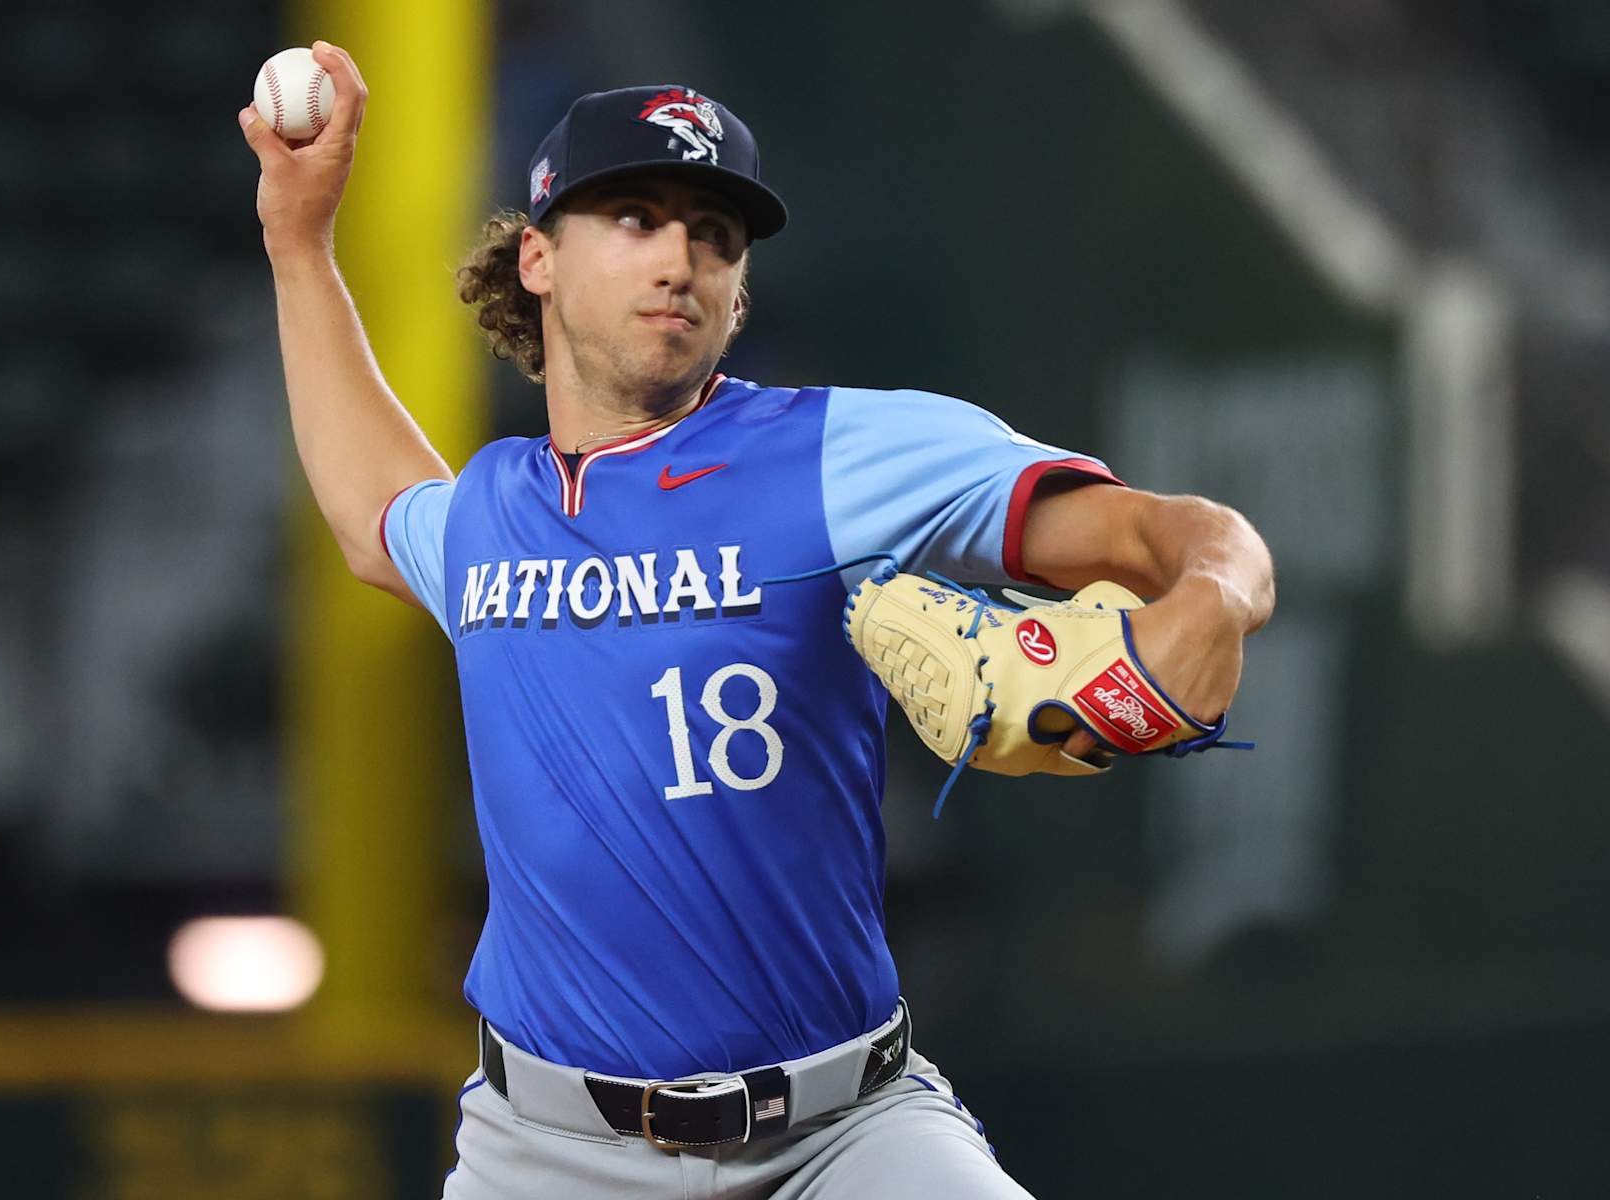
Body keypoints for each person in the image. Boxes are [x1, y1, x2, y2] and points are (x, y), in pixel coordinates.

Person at [240, 42, 1274, 1200]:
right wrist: (298, 242)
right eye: (635, 215)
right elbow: (369, 509)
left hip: (843, 1137)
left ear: (741, 291)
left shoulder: (838, 452)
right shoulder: (491, 512)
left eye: (716, 235)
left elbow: (1172, 535)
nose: (681, 257)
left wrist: (1214, 598)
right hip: (547, 1153)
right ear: (535, 256)